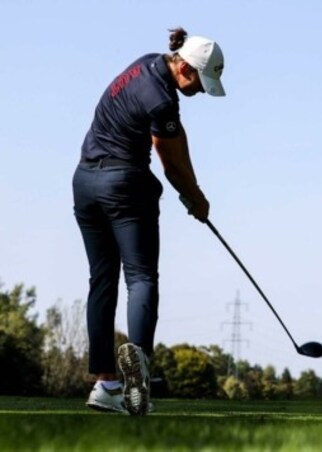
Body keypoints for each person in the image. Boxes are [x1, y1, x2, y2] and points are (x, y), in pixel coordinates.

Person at [73, 27, 225, 415]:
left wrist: (195, 192)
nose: (201, 91)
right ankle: (137, 371)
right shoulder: (162, 99)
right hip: (124, 185)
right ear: (186, 68)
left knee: (102, 282)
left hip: (85, 182)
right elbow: (170, 161)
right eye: (201, 83)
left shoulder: (146, 66)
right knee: (140, 278)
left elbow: (177, 141)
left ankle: (105, 385)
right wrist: (197, 199)